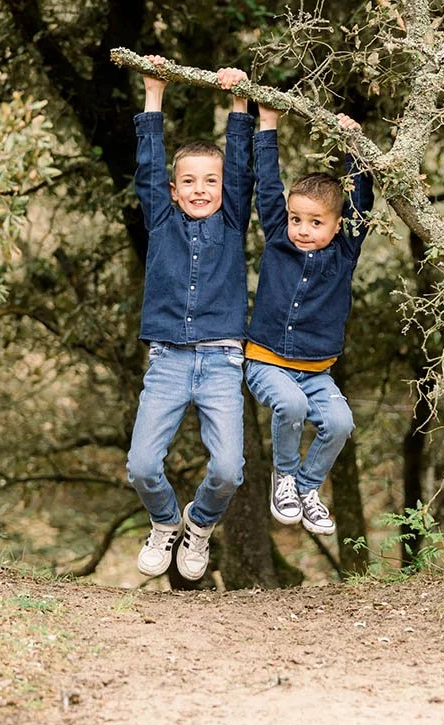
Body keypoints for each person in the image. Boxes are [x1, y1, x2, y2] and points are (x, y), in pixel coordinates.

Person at [125, 56, 253, 581]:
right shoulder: (161, 219)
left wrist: (239, 105)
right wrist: (154, 94)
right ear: (174, 190)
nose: (201, 189)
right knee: (141, 467)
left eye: (211, 180)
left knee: (228, 470)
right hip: (168, 361)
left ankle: (198, 526)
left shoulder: (231, 220)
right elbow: (149, 165)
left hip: (222, 360)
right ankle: (163, 524)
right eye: (189, 182)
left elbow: (243, 169)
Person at [244, 103, 374, 536]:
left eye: (316, 222)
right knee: (292, 406)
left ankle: (306, 487)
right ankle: (283, 477)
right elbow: (267, 186)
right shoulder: (279, 238)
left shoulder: (344, 252)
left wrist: (354, 145)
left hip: (316, 372)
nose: (302, 228)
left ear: (337, 226)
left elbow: (361, 205)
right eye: (297, 218)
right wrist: (267, 124)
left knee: (340, 423)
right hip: (267, 361)